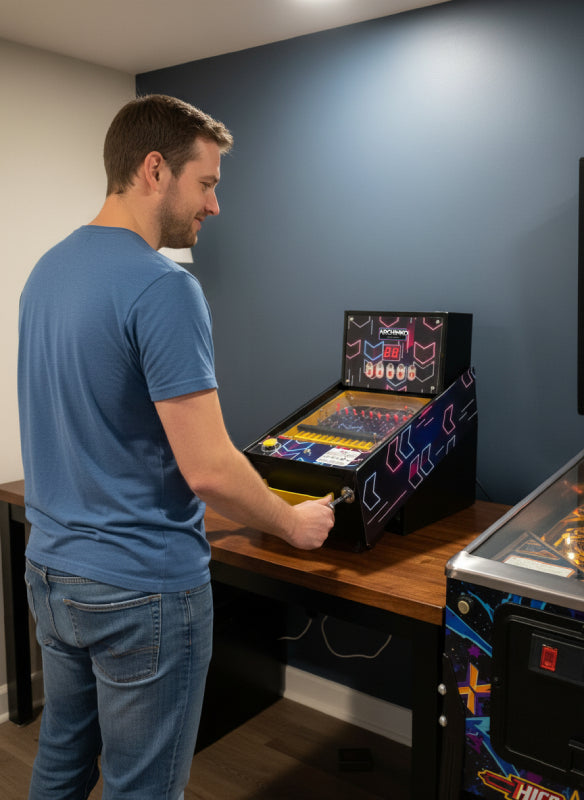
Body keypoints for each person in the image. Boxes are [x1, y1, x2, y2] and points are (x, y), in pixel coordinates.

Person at [18, 94, 334, 800]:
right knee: (144, 788)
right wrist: (292, 522)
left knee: (61, 763)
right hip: (141, 591)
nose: (215, 206)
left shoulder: (46, 271)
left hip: (51, 571)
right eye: (208, 182)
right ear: (154, 170)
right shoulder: (165, 287)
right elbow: (210, 469)